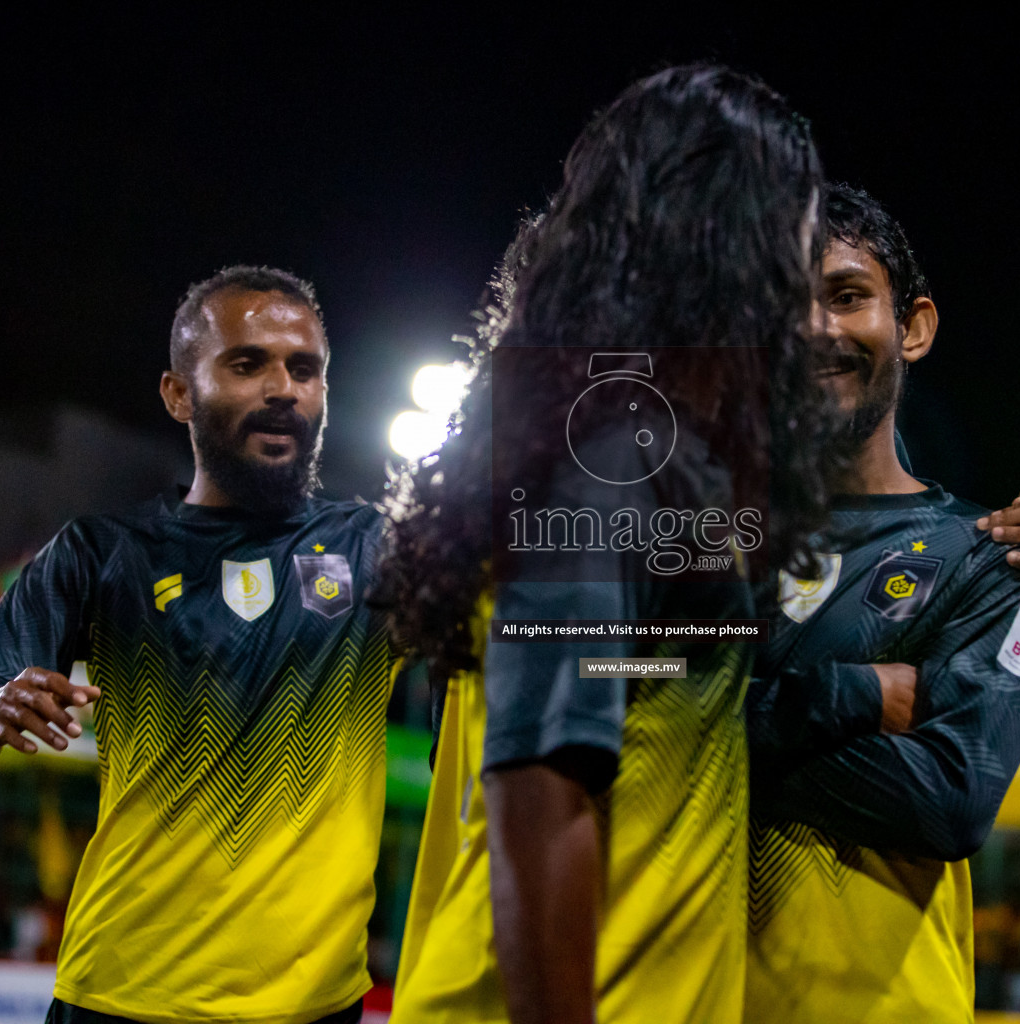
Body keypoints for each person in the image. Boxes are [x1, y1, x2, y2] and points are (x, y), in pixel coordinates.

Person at [383, 65, 837, 1024]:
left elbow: (642, 691)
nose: (809, 297)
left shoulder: (658, 459)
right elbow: (540, 793)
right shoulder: (610, 466)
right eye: (797, 240)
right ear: (733, 247)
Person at [0, 266, 395, 1024]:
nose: (284, 387)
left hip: (315, 1007)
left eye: (305, 369)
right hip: (120, 994)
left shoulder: (377, 550)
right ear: (178, 393)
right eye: (248, 363)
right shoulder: (100, 552)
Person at [742, 183, 1020, 1022]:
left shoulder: (998, 553)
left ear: (913, 327)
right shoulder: (694, 547)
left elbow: (950, 799)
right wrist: (856, 699)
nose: (815, 329)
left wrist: (708, 721)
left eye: (848, 295)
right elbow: (618, 711)